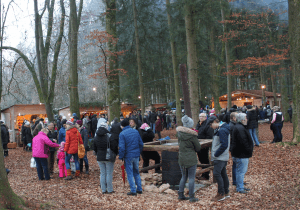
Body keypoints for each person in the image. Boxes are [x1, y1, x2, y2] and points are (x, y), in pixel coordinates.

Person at [177, 115, 201, 202]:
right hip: (191, 159)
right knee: (191, 178)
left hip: (182, 158)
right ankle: (191, 196)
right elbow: (198, 148)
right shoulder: (192, 136)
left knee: (183, 176)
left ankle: (180, 194)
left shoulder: (179, 134)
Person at [207, 116, 230, 201]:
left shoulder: (222, 130)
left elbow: (224, 145)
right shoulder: (222, 128)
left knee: (217, 174)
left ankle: (221, 193)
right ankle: (226, 192)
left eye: (210, 124)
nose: (210, 127)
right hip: (222, 156)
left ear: (214, 122)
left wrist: (216, 154)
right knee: (223, 174)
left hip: (220, 157)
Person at [119, 119, 144, 196]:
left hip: (128, 156)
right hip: (136, 155)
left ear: (122, 126)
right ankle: (139, 188)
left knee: (130, 173)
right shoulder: (135, 131)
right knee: (136, 172)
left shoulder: (122, 134)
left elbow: (122, 147)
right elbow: (141, 144)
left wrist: (121, 156)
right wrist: (138, 152)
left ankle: (133, 190)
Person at [231, 113, 253, 194]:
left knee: (239, 170)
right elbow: (243, 141)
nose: (247, 119)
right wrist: (249, 150)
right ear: (242, 119)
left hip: (239, 153)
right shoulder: (240, 128)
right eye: (246, 118)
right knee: (241, 171)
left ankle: (240, 185)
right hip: (241, 153)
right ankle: (240, 187)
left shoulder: (239, 127)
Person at [94, 122, 118, 194]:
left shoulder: (96, 137)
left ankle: (103, 189)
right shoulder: (109, 137)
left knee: (102, 173)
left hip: (99, 157)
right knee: (109, 173)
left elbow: (94, 148)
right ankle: (110, 189)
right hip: (108, 157)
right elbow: (114, 147)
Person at [195, 113, 214, 180]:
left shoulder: (207, 125)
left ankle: (206, 175)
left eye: (202, 116)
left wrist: (204, 142)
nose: (201, 118)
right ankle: (203, 173)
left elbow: (209, 136)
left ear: (205, 117)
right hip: (198, 144)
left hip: (205, 145)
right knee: (200, 159)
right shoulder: (198, 124)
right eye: (200, 116)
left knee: (205, 160)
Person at [229, 112, 238, 186]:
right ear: (233, 118)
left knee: (236, 164)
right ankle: (235, 180)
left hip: (233, 146)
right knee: (235, 164)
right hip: (234, 147)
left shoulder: (233, 125)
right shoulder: (232, 126)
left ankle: (237, 180)